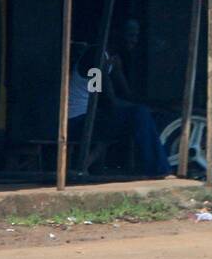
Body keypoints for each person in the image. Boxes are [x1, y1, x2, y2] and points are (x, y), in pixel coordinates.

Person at [67, 40, 166, 178]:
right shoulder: (96, 56)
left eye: (136, 36)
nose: (133, 41)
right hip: (78, 121)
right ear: (116, 36)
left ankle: (156, 167)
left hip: (91, 116)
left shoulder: (112, 59)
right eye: (130, 36)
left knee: (142, 112)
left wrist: (116, 70)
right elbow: (105, 98)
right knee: (139, 113)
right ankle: (156, 169)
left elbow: (127, 94)